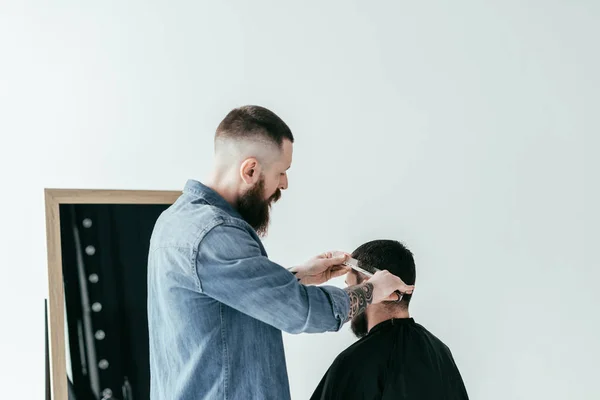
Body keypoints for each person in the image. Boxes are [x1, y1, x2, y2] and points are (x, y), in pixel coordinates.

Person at [147, 105, 414, 400]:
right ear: (250, 170)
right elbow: (303, 313)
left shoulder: (177, 222)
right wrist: (372, 290)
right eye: (281, 172)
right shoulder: (215, 234)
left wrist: (297, 276)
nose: (284, 184)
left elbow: (229, 296)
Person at [311, 239, 469, 400]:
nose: (348, 294)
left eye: (351, 286)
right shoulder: (441, 353)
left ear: (370, 287)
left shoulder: (355, 362)